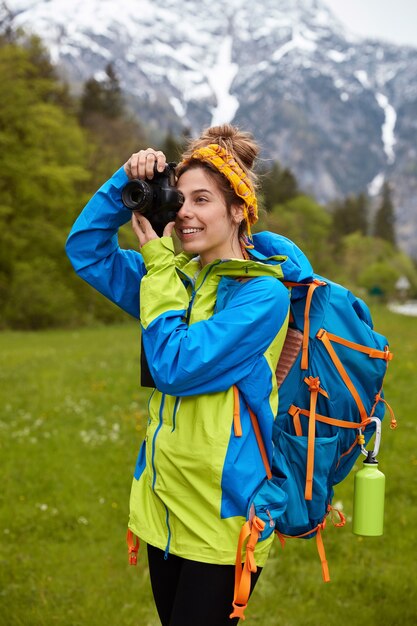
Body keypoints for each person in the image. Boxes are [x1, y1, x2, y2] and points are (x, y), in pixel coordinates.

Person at [66, 124, 295, 625]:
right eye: (180, 198)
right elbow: (86, 250)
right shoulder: (172, 273)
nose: (186, 212)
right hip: (162, 510)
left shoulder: (262, 296)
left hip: (222, 522)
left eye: (203, 199)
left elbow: (176, 365)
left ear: (239, 211)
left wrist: (159, 268)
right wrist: (123, 182)